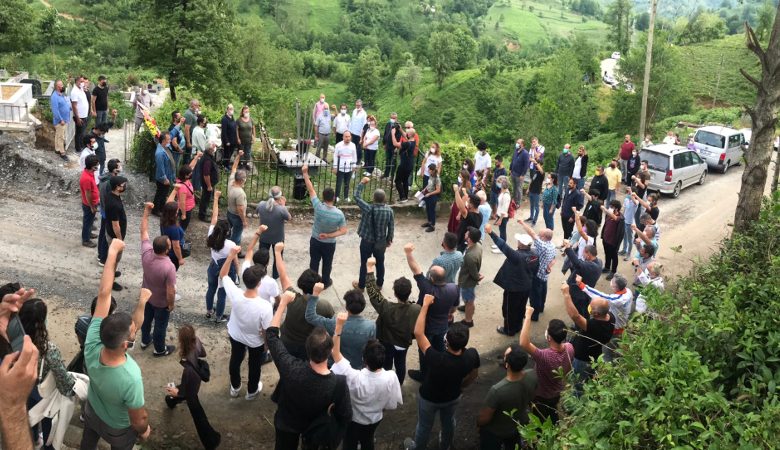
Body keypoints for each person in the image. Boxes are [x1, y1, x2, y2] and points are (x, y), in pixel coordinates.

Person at [81, 239, 151, 449]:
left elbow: (104, 294)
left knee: (87, 442)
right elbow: (138, 418)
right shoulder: (131, 377)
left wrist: (112, 252)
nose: (135, 331)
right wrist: (144, 430)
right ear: (125, 345)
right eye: (133, 332)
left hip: (92, 411)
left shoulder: (92, 341)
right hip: (118, 429)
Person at [266, 291, 352, 449]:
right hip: (317, 430)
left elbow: (271, 336)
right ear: (330, 352)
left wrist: (282, 304)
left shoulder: (290, 368)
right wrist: (338, 328)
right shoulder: (338, 383)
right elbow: (345, 415)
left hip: (288, 424)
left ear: (307, 349)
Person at [403, 295, 480, 450]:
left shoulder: (436, 359)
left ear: (446, 341)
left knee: (424, 425)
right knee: (449, 422)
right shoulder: (471, 355)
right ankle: (446, 445)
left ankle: (418, 447)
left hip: (429, 398)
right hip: (453, 396)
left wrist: (425, 305)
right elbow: (474, 374)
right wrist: (462, 386)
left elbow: (418, 333)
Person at [21, 298, 85, 450]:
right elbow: (63, 380)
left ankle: (33, 439)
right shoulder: (48, 349)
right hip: (42, 394)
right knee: (47, 422)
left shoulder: (13, 341)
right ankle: (47, 446)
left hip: (22, 390)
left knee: (29, 417)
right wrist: (76, 388)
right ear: (41, 323)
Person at [331, 313, 402, 450]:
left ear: (364, 359)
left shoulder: (354, 377)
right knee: (368, 440)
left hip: (354, 419)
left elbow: (336, 354)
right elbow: (391, 404)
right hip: (375, 419)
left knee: (349, 442)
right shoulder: (391, 377)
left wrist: (339, 326)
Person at [219, 246, 274, 399]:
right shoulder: (265, 306)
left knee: (235, 360)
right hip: (255, 341)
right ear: (259, 284)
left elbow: (223, 274)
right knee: (254, 365)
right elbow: (266, 330)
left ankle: (235, 387)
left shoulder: (236, 293)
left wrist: (231, 255)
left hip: (236, 335)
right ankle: (251, 391)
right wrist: (266, 344)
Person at [404, 244, 460, 382]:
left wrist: (408, 253)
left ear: (432, 279)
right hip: (443, 325)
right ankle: (439, 368)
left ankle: (424, 375)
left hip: (427, 328)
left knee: (424, 350)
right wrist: (449, 313)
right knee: (440, 348)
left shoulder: (427, 288)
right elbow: (454, 308)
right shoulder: (454, 288)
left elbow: (416, 269)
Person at [273, 243, 335, 359]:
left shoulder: (291, 298)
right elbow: (333, 327)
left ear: (301, 284)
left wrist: (277, 252)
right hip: (308, 348)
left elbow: (283, 275)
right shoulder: (325, 306)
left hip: (286, 343)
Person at [163, 325, 221, 449]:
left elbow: (185, 392)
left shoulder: (187, 368)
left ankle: (211, 441)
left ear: (181, 341)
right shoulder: (197, 341)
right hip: (197, 377)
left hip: (191, 386)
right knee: (183, 391)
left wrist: (176, 393)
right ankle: (170, 401)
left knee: (198, 416)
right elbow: (203, 354)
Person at [365, 257, 420, 384]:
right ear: (409, 292)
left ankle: (386, 383)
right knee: (400, 363)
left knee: (386, 363)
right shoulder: (416, 309)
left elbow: (373, 294)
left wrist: (369, 269)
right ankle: (398, 383)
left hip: (386, 341)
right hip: (403, 344)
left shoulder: (387, 308)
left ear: (395, 293)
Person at [519, 307, 573, 424]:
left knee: (541, 419)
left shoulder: (544, 356)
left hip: (541, 395)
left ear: (549, 337)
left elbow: (523, 342)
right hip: (557, 390)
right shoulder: (570, 347)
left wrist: (528, 316)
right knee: (552, 411)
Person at [477, 345, 537, 449]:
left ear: (507, 364)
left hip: (496, 431)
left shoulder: (497, 390)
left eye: (505, 356)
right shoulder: (532, 375)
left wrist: (479, 424)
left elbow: (484, 418)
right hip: (517, 425)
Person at [305, 283, 376, 369]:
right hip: (358, 365)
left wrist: (315, 293)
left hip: (337, 365)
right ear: (363, 306)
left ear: (346, 306)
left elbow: (310, 316)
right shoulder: (371, 326)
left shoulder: (334, 323)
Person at [561, 283, 614, 397]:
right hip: (595, 354)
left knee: (579, 382)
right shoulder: (610, 317)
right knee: (590, 375)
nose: (589, 306)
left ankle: (577, 399)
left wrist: (566, 294)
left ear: (596, 314)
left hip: (583, 359)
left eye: (591, 307)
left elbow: (575, 316)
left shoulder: (594, 326)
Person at [485, 224, 538, 336]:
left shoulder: (517, 256)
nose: (517, 242)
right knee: (520, 308)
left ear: (521, 244)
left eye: (519, 241)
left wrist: (491, 233)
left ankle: (509, 330)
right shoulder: (534, 254)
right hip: (526, 286)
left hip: (514, 289)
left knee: (509, 310)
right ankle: (518, 326)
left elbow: (503, 246)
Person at [139, 202, 177, 356]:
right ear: (167, 250)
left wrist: (146, 212)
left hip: (146, 296)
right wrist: (171, 304)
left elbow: (143, 231)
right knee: (160, 326)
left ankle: (144, 340)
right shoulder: (169, 267)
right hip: (161, 303)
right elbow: (170, 291)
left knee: (146, 320)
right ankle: (159, 349)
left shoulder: (146, 252)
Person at [302, 164, 347, 288]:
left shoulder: (318, 207)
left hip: (315, 240)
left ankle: (312, 282)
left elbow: (311, 190)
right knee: (327, 264)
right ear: (334, 198)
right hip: (329, 243)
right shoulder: (339, 214)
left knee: (314, 262)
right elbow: (343, 231)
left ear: (323, 196)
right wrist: (329, 235)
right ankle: (325, 282)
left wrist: (305, 173)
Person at [576, 273, 632, 362]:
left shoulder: (617, 300)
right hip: (622, 323)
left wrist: (581, 285)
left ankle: (607, 364)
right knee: (617, 344)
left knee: (608, 349)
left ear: (616, 287)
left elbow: (600, 296)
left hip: (616, 328)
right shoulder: (628, 291)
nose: (611, 282)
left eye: (613, 282)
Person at [354, 178, 394, 290]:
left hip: (366, 240)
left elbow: (356, 197)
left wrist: (362, 183)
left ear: (373, 198)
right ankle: (379, 284)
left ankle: (361, 286)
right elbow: (391, 227)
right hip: (380, 242)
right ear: (384, 199)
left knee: (364, 263)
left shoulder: (368, 208)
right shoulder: (389, 211)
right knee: (380, 263)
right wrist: (389, 240)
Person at [205, 192, 240, 323]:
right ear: (227, 232)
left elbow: (214, 216)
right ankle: (219, 317)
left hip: (213, 266)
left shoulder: (211, 236)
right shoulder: (231, 244)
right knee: (222, 293)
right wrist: (237, 274)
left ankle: (209, 311)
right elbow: (235, 262)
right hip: (225, 270)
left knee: (211, 289)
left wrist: (215, 198)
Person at [517, 219, 556, 321]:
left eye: (540, 235)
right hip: (544, 274)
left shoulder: (542, 246)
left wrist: (523, 223)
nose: (538, 236)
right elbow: (554, 259)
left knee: (535, 296)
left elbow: (532, 233)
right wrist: (549, 267)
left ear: (544, 237)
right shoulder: (552, 245)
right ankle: (541, 308)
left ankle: (534, 315)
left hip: (537, 275)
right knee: (542, 292)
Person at [257, 186, 291, 279]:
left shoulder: (261, 204)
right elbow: (289, 218)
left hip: (264, 236)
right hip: (278, 238)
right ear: (280, 196)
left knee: (262, 257)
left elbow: (258, 211)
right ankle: (275, 275)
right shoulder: (281, 209)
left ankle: (261, 274)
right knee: (278, 257)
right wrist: (283, 205)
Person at [564, 241, 603, 318]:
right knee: (585, 310)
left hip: (579, 295)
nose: (582, 255)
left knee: (579, 313)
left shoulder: (591, 266)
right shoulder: (599, 261)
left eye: (583, 253)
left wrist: (568, 248)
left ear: (588, 254)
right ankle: (586, 322)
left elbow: (578, 263)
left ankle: (580, 325)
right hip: (586, 292)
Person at [104, 176, 128, 292]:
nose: (125, 186)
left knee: (113, 258)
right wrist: (120, 241)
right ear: (117, 187)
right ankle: (110, 281)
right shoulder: (114, 205)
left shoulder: (110, 194)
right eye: (123, 184)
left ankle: (112, 272)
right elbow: (116, 225)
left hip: (109, 232)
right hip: (114, 237)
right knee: (114, 260)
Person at [97, 159, 122, 265]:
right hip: (108, 211)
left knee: (103, 232)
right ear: (115, 170)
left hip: (104, 210)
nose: (120, 168)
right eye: (119, 166)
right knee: (107, 235)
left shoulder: (104, 178)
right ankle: (103, 259)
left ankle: (100, 254)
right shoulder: (110, 183)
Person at [458, 227, 483, 328]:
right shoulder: (478, 245)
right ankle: (466, 306)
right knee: (467, 299)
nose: (465, 234)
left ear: (469, 239)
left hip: (467, 282)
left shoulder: (470, 256)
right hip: (469, 278)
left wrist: (478, 277)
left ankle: (468, 320)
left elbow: (473, 273)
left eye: (467, 234)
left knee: (469, 301)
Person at [173, 155, 201, 233]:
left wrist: (196, 157)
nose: (191, 174)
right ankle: (179, 237)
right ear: (186, 175)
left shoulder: (183, 179)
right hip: (186, 209)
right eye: (190, 174)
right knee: (183, 226)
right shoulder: (182, 187)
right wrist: (184, 214)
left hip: (188, 207)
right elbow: (182, 202)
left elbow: (191, 167)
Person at [227, 151, 248, 247]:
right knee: (236, 235)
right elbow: (240, 209)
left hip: (229, 212)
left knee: (228, 231)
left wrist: (238, 156)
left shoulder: (232, 179)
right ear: (242, 180)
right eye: (245, 178)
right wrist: (244, 221)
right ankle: (234, 250)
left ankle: (224, 245)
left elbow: (234, 167)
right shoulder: (240, 193)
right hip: (237, 216)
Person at [600, 201, 626, 280]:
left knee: (614, 257)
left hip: (613, 242)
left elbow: (615, 218)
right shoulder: (609, 215)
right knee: (607, 254)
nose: (610, 208)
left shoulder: (620, 218)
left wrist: (605, 209)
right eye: (610, 206)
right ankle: (607, 267)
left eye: (612, 207)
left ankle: (613, 271)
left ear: (616, 209)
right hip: (606, 239)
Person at [453, 186, 483, 252]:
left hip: (464, 241)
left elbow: (460, 207)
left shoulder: (469, 215)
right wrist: (465, 193)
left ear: (471, 205)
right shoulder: (480, 215)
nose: (467, 204)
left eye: (468, 202)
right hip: (471, 241)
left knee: (461, 253)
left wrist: (456, 191)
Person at [391, 126, 417, 202]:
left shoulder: (407, 144)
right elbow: (406, 136)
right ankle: (405, 197)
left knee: (397, 181)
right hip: (410, 164)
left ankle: (402, 197)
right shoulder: (413, 141)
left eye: (407, 133)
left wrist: (393, 134)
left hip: (404, 165)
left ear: (409, 135)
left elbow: (395, 144)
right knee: (405, 180)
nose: (406, 134)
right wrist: (400, 129)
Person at [153, 131, 175, 216]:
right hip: (163, 178)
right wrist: (164, 178)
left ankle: (161, 209)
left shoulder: (165, 148)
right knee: (160, 194)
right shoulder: (160, 153)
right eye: (168, 139)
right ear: (163, 141)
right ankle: (156, 210)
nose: (170, 141)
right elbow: (160, 167)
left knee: (163, 193)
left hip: (167, 176)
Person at [159, 199, 185, 270]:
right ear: (174, 213)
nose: (178, 211)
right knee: (171, 271)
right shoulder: (174, 228)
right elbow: (176, 246)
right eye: (177, 210)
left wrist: (174, 192)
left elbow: (168, 203)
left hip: (165, 249)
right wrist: (180, 259)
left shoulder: (163, 219)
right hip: (173, 255)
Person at [80, 154, 100, 248]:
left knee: (90, 221)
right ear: (92, 166)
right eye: (97, 164)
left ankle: (89, 234)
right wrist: (92, 207)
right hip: (89, 205)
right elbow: (88, 195)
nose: (98, 165)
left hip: (92, 203)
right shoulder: (86, 178)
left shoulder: (90, 173)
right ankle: (86, 240)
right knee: (87, 222)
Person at [333, 131, 358, 202]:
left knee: (347, 183)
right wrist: (335, 167)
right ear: (343, 137)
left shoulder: (353, 145)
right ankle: (337, 196)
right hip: (341, 166)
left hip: (349, 166)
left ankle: (346, 196)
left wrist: (354, 165)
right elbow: (335, 156)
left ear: (351, 137)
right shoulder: (338, 145)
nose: (347, 138)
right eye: (346, 137)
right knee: (339, 183)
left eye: (349, 136)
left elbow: (354, 156)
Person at [198, 141, 219, 221]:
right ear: (210, 150)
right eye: (213, 148)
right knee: (205, 199)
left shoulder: (208, 156)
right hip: (207, 184)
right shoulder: (207, 160)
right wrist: (209, 186)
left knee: (206, 198)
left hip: (209, 183)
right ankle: (202, 215)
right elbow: (206, 174)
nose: (214, 149)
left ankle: (204, 212)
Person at [447, 168, 474, 233]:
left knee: (457, 224)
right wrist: (453, 204)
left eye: (460, 176)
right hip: (456, 206)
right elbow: (457, 196)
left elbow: (464, 203)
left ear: (463, 178)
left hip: (459, 209)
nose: (459, 177)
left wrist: (459, 214)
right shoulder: (461, 185)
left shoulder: (466, 189)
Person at [50, 80, 71, 160]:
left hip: (64, 120)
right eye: (61, 85)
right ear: (57, 87)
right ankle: (62, 153)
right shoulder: (54, 97)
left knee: (58, 135)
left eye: (62, 84)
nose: (62, 86)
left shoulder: (61, 94)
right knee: (61, 137)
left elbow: (64, 104)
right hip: (60, 121)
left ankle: (57, 149)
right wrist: (60, 119)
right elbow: (55, 110)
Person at [491, 176, 512, 252]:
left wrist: (500, 219)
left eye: (499, 182)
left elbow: (504, 209)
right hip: (500, 215)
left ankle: (502, 248)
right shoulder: (502, 192)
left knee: (503, 232)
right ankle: (499, 244)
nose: (497, 183)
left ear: (503, 184)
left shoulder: (506, 195)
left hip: (503, 217)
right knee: (501, 231)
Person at [71, 76, 90, 154]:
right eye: (81, 81)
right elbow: (74, 106)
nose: (83, 83)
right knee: (79, 133)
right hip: (80, 116)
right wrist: (78, 118)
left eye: (83, 81)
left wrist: (84, 87)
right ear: (77, 82)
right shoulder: (74, 91)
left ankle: (81, 146)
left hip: (84, 115)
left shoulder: (80, 89)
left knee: (82, 132)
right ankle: (78, 148)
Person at [421, 164, 442, 232]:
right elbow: (429, 184)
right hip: (428, 194)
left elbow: (438, 190)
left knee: (432, 211)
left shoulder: (437, 178)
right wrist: (424, 189)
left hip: (433, 196)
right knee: (428, 209)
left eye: (429, 169)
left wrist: (429, 194)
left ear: (433, 170)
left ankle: (432, 226)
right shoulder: (431, 175)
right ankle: (429, 222)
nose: (428, 170)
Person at [382, 113, 402, 181]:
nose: (392, 119)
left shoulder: (398, 126)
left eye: (394, 118)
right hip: (388, 145)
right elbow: (385, 133)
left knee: (393, 161)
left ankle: (392, 175)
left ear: (396, 118)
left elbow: (399, 137)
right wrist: (384, 143)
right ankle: (386, 174)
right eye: (392, 118)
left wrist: (397, 147)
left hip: (394, 146)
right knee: (387, 159)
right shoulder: (388, 124)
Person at [509, 138, 529, 203]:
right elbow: (513, 160)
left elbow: (526, 165)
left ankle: (518, 203)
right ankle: (514, 202)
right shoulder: (516, 151)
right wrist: (510, 169)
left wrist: (523, 174)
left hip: (519, 175)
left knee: (519, 189)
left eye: (518, 143)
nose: (517, 144)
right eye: (517, 142)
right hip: (513, 173)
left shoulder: (525, 153)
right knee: (514, 188)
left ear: (522, 144)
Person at [620, 186, 638, 259]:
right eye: (627, 192)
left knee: (630, 240)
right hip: (624, 221)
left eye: (629, 192)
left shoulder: (636, 202)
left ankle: (628, 254)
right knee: (624, 237)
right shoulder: (626, 199)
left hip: (630, 223)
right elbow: (624, 209)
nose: (628, 194)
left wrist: (631, 193)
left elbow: (635, 202)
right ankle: (624, 250)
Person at [236, 105, 256, 169]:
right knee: (241, 151)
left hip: (249, 140)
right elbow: (236, 130)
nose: (246, 112)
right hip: (241, 140)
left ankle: (247, 163)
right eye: (245, 111)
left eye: (247, 111)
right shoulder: (238, 120)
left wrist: (254, 137)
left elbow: (253, 129)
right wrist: (238, 138)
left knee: (248, 152)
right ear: (242, 112)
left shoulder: (251, 120)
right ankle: (241, 163)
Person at [526, 162, 545, 226]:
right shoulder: (535, 172)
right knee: (532, 205)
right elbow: (531, 180)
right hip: (531, 191)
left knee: (536, 207)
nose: (537, 166)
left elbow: (541, 171)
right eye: (537, 164)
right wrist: (528, 189)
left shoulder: (542, 173)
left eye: (539, 164)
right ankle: (531, 217)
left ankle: (534, 221)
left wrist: (535, 162)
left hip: (537, 192)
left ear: (542, 165)